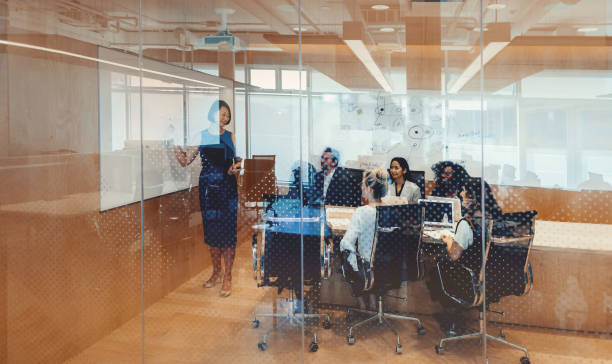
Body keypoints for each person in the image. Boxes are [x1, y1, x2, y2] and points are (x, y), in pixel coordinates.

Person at [173, 100, 240, 298]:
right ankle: (216, 272)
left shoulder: (230, 136)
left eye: (227, 115)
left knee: (228, 233)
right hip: (208, 190)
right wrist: (173, 142)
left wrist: (235, 168)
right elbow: (185, 160)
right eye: (222, 113)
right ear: (212, 114)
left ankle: (227, 276)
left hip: (228, 187)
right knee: (212, 232)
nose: (225, 118)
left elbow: (236, 162)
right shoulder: (201, 135)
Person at [340, 168, 388, 310]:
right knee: (371, 260)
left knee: (346, 254)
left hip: (366, 269)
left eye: (363, 185)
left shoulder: (362, 212)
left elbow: (347, 242)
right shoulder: (393, 210)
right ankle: (373, 301)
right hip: (389, 267)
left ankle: (362, 304)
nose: (361, 188)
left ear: (370, 189)